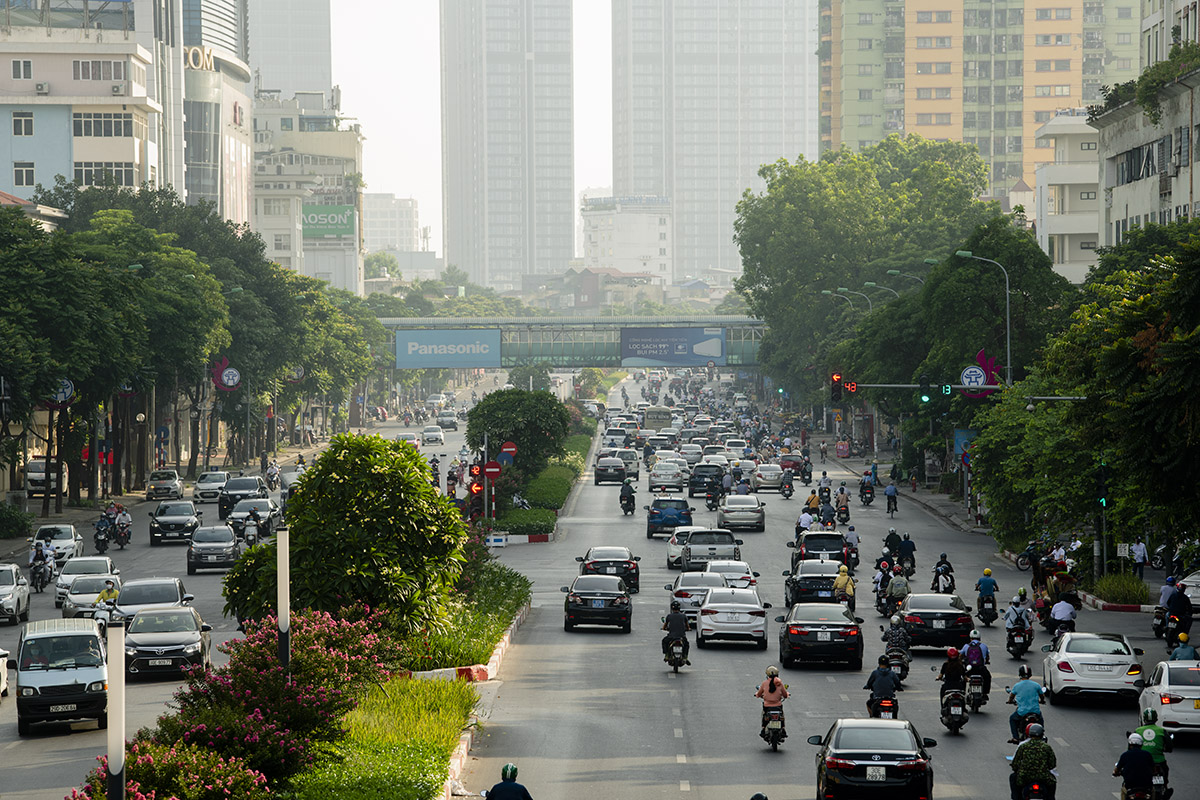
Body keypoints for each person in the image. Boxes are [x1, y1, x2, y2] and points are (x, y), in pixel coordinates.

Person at [1010, 723, 1057, 800]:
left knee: (1013, 777)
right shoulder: (1046, 747)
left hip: (1024, 777)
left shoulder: (1023, 746)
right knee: (1052, 785)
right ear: (1042, 734)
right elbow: (1052, 764)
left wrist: (1017, 769)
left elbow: (1015, 763)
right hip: (1043, 777)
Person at [1134, 709, 1172, 796]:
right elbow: (1170, 746)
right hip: (1159, 761)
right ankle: (1165, 786)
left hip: (1143, 761)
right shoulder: (1161, 731)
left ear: (1144, 719)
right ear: (1156, 719)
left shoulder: (1138, 730)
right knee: (1165, 770)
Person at [1007, 665, 1046, 742]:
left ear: (1020, 674)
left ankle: (1015, 737)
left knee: (1012, 719)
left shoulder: (1017, 686)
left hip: (1022, 713)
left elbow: (1011, 696)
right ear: (1030, 674)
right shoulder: (1036, 685)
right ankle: (1042, 735)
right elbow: (1042, 696)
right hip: (1035, 712)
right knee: (1040, 720)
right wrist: (1042, 700)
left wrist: (1010, 701)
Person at [1113, 733, 1155, 798]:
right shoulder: (1147, 755)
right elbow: (1153, 769)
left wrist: (1115, 773)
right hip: (1146, 786)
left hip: (1130, 786)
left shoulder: (1125, 755)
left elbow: (1117, 769)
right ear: (1141, 745)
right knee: (1152, 792)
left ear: (1130, 744)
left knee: (1123, 791)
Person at [755, 665, 790, 740]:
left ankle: (763, 729)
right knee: (781, 716)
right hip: (778, 705)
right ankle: (783, 728)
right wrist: (787, 695)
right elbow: (784, 694)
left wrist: (757, 695)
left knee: (765, 716)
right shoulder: (780, 683)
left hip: (767, 706)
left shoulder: (764, 683)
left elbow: (759, 693)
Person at [961, 629, 992, 698]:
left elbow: (960, 656)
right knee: (987, 677)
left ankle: (962, 692)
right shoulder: (984, 646)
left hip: (969, 669)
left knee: (962, 678)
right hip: (980, 669)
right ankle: (985, 693)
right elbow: (987, 657)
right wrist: (987, 661)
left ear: (970, 638)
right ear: (979, 638)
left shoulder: (966, 646)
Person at [661, 600, 691, 665]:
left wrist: (664, 629)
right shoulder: (684, 616)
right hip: (681, 637)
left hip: (671, 637)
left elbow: (664, 626)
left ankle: (666, 655)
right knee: (686, 645)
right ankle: (685, 657)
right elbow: (688, 627)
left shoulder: (669, 616)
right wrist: (688, 629)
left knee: (664, 641)